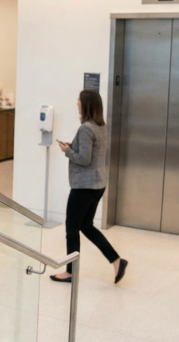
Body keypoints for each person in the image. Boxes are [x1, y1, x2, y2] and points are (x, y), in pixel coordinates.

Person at [53, 89, 127, 283]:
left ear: (85, 104)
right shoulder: (101, 127)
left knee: (71, 229)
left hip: (84, 186)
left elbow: (84, 159)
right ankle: (116, 260)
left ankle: (70, 271)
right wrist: (74, 147)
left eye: (79, 100)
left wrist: (68, 151)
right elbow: (91, 154)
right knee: (85, 225)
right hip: (98, 184)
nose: (76, 102)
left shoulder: (86, 128)